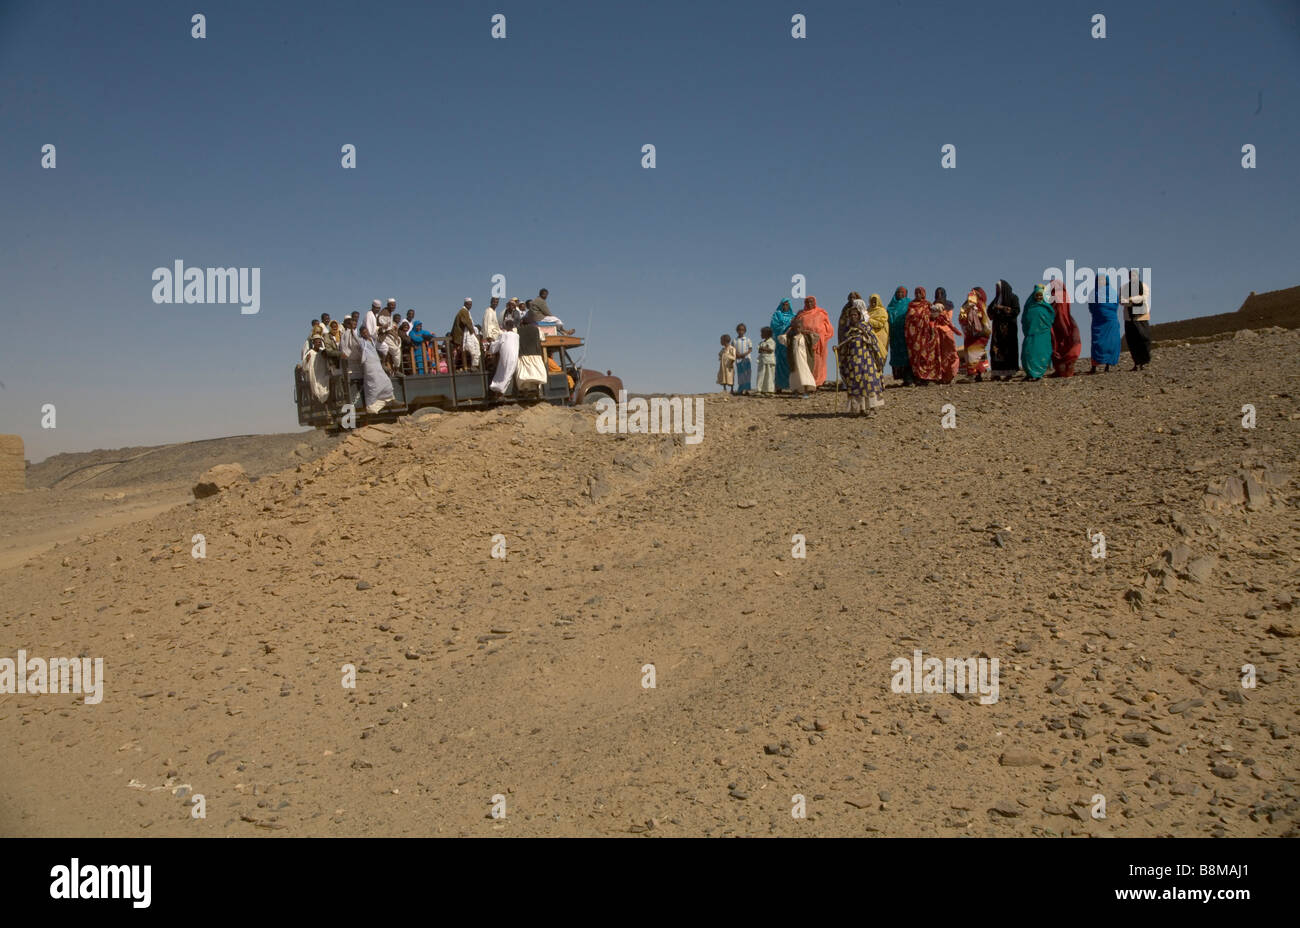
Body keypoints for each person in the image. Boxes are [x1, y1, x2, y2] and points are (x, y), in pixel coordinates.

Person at [837, 300, 886, 414]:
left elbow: (873, 341)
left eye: (855, 315)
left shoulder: (866, 327)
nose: (853, 317)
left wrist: (863, 333)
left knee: (868, 382)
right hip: (853, 362)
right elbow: (844, 347)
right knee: (856, 384)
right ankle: (860, 409)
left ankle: (872, 408)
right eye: (851, 315)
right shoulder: (848, 331)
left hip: (866, 361)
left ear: (859, 316)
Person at [904, 287, 960, 384]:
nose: (918, 295)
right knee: (917, 357)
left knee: (929, 356)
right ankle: (919, 378)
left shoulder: (928, 305)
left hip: (928, 335)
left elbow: (935, 317)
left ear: (923, 294)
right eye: (916, 293)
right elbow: (908, 320)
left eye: (920, 293)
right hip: (915, 337)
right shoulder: (911, 305)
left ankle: (930, 378)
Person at [793, 296, 834, 386]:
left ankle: (818, 382)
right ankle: (808, 382)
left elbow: (828, 328)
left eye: (811, 302)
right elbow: (796, 326)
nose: (809, 304)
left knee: (818, 361)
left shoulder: (821, 313)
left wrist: (822, 336)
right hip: (805, 340)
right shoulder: (801, 315)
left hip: (818, 341)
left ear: (814, 302)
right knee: (806, 361)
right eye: (807, 302)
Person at [1088, 271, 1122, 373]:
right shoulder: (1094, 293)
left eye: (1102, 280)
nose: (1101, 282)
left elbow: (1115, 305)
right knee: (1097, 342)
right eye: (1099, 280)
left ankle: (1107, 366)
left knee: (1110, 342)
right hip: (1099, 321)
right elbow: (1091, 307)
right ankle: (1094, 366)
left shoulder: (1111, 292)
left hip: (1110, 321)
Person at [357, 325, 395, 413]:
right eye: (363, 333)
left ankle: (389, 398)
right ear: (361, 334)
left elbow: (379, 343)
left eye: (366, 332)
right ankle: (372, 407)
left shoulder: (372, 340)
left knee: (386, 381)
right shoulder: (361, 342)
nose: (365, 334)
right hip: (369, 366)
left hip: (377, 364)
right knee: (373, 385)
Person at [988, 280, 1020, 381]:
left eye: (998, 287)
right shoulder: (996, 299)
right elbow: (989, 310)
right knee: (995, 350)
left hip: (1008, 329)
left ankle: (1009, 373)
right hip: (997, 329)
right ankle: (996, 373)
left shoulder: (1013, 298)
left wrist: (1001, 308)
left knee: (1009, 350)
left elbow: (1016, 310)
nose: (997, 289)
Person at [1020, 284, 1054, 381]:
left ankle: (1039, 374)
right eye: (1037, 295)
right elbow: (1024, 319)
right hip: (1031, 335)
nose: (1039, 297)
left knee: (1041, 353)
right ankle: (1030, 373)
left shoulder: (1047, 308)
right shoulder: (1029, 307)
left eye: (1040, 295)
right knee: (1028, 353)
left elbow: (1051, 319)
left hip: (1043, 336)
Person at [1049, 279, 1081, 377]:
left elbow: (1055, 309)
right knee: (1066, 343)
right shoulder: (1064, 294)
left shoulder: (1054, 295)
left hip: (1057, 322)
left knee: (1057, 344)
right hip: (1066, 320)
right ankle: (1066, 371)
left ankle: (1060, 371)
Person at [1121, 270, 1152, 370]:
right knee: (1132, 341)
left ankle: (1144, 362)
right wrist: (1133, 301)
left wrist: (1131, 299)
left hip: (1141, 316)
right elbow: (1122, 301)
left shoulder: (1144, 286)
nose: (1132, 277)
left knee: (1144, 339)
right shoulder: (1124, 287)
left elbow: (1144, 297)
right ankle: (1136, 363)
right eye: (1131, 275)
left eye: (1134, 275)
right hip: (1129, 318)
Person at [959, 287, 992, 380]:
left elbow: (985, 320)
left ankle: (973, 373)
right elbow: (961, 317)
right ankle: (977, 373)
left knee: (974, 354)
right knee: (971, 354)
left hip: (980, 334)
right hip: (970, 334)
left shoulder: (981, 305)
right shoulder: (966, 305)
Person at [782, 317, 817, 397]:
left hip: (804, 359)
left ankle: (806, 392)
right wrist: (788, 331)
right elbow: (782, 338)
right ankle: (796, 392)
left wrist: (807, 331)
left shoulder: (806, 337)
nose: (797, 329)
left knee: (805, 374)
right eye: (795, 328)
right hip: (794, 359)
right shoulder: (791, 338)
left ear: (802, 327)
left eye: (799, 327)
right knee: (795, 375)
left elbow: (816, 336)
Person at [885, 286, 912, 384]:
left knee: (907, 355)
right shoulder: (891, 306)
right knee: (898, 357)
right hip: (895, 335)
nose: (900, 294)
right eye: (898, 292)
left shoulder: (909, 303)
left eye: (902, 292)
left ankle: (909, 378)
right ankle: (903, 377)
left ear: (906, 293)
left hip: (906, 334)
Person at [770, 298, 796, 392]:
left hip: (789, 343)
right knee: (779, 364)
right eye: (784, 304)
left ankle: (792, 385)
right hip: (780, 343)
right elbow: (774, 326)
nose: (785, 306)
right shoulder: (777, 314)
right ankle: (779, 386)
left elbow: (796, 326)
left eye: (787, 304)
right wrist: (785, 328)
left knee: (790, 363)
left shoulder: (793, 315)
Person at [515, 321, 548, 394]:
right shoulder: (537, 330)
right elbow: (543, 338)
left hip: (523, 355)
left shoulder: (517, 330)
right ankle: (536, 388)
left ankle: (525, 389)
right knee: (536, 373)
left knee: (524, 374)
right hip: (536, 355)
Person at [491, 318, 520, 395]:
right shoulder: (517, 336)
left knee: (502, 372)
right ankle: (501, 390)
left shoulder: (503, 335)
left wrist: (491, 345)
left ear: (506, 326)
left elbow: (496, 346)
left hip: (506, 357)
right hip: (514, 357)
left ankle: (499, 389)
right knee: (508, 373)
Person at [865, 294, 890, 366]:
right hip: (869, 336)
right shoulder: (867, 311)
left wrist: (868, 320)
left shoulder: (882, 311)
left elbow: (880, 324)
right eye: (871, 302)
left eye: (874, 302)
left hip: (880, 336)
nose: (873, 304)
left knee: (880, 354)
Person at [755, 326, 777, 394]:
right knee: (761, 375)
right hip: (762, 361)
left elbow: (770, 350)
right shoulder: (761, 343)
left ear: (767, 334)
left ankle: (770, 390)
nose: (761, 335)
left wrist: (764, 348)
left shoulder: (772, 341)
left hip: (770, 362)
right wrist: (764, 348)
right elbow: (759, 350)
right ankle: (760, 390)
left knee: (769, 376)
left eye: (762, 333)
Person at [733, 324, 753, 394]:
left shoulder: (748, 340)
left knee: (747, 374)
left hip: (747, 359)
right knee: (740, 374)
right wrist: (738, 354)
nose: (741, 331)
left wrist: (744, 354)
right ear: (737, 331)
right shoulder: (734, 340)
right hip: (739, 360)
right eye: (739, 330)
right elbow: (733, 349)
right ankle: (741, 389)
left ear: (745, 331)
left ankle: (747, 389)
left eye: (742, 330)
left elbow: (750, 349)